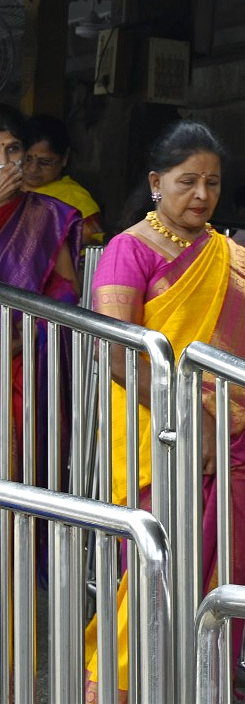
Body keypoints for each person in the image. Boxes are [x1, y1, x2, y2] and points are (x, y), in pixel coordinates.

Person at [83, 121, 245, 701]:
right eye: (187, 182)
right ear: (156, 182)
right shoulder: (126, 251)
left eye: (212, 182)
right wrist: (193, 418)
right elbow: (119, 355)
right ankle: (124, 685)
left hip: (240, 444)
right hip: (158, 436)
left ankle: (201, 683)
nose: (202, 195)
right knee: (156, 570)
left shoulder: (236, 262)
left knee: (226, 576)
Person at [0, 106, 84, 491]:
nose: (6, 164)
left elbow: (66, 294)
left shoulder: (47, 215)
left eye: (13, 150)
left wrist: (26, 335)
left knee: (21, 474)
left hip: (21, 366)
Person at [22, 114, 105, 244]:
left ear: (64, 158)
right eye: (26, 159)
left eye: (45, 162)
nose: (33, 168)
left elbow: (94, 242)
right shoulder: (8, 187)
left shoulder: (75, 198)